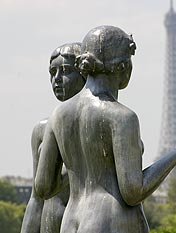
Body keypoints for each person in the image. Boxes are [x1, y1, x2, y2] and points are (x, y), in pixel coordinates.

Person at [34, 25, 176, 233]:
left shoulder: (59, 115)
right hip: (110, 220)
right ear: (121, 65)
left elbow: (43, 187)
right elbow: (133, 192)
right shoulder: (121, 117)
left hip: (70, 222)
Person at [21, 43, 85, 233]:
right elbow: (36, 199)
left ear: (85, 73)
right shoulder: (41, 130)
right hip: (50, 225)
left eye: (65, 71)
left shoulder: (102, 124)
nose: (56, 79)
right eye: (52, 72)